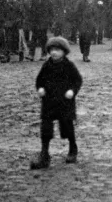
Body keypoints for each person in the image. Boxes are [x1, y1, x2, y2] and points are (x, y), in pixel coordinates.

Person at [30, 37, 83, 169]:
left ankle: (72, 148)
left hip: (65, 102)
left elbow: (77, 80)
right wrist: (40, 88)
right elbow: (39, 80)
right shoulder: (47, 65)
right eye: (52, 50)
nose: (54, 53)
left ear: (64, 52)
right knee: (46, 127)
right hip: (49, 101)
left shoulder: (69, 66)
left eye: (57, 50)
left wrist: (72, 91)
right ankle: (44, 153)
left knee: (67, 126)